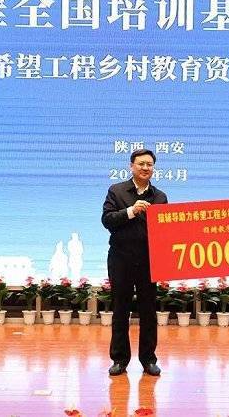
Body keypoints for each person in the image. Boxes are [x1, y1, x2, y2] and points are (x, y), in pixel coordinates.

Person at [101, 149, 167, 376]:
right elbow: (107, 220)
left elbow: (165, 231)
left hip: (149, 261)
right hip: (121, 259)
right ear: (131, 166)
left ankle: (148, 360)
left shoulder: (160, 197)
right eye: (141, 164)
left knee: (149, 311)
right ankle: (119, 360)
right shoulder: (116, 191)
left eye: (149, 164)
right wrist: (131, 211)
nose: (145, 168)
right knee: (121, 310)